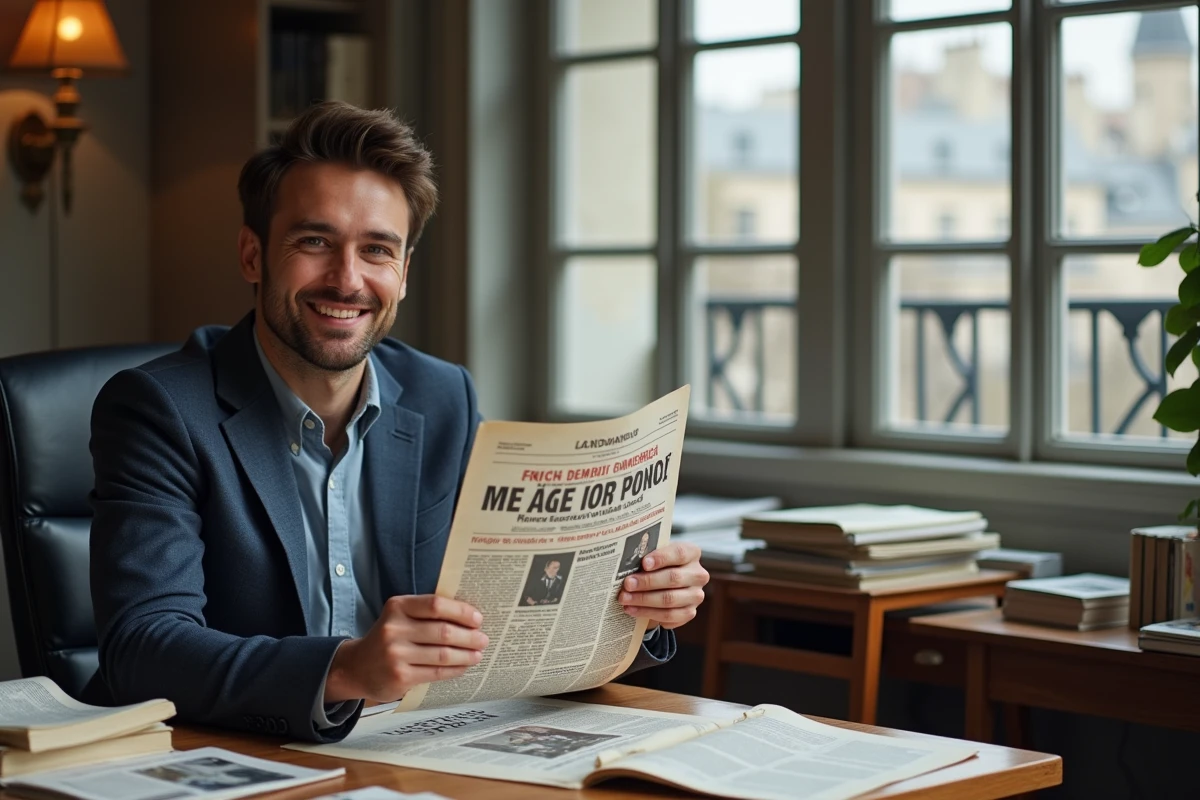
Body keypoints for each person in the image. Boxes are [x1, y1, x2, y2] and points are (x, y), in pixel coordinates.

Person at [87, 102, 710, 743]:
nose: (347, 279)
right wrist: (345, 668)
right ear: (253, 254)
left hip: (415, 748)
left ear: (404, 273)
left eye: (377, 250)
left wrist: (637, 607)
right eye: (314, 242)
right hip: (234, 751)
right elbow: (143, 649)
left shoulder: (444, 397)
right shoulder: (158, 408)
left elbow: (508, 624)